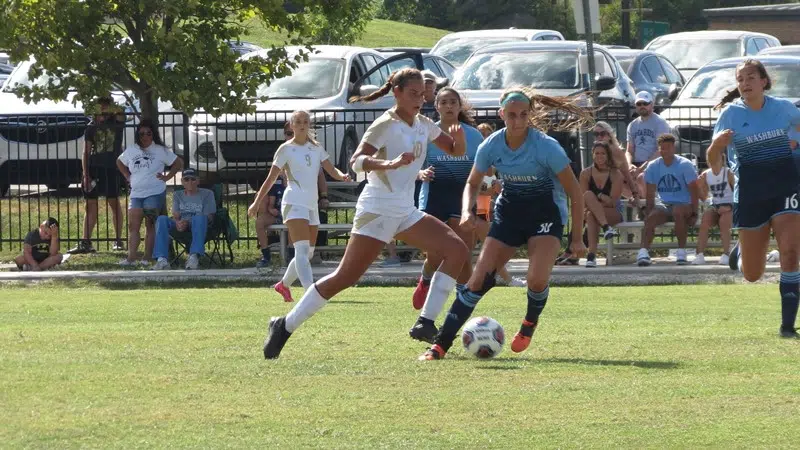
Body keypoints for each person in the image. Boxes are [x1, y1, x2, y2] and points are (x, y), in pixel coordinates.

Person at [263, 68, 468, 359]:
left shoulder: (424, 124)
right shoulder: (385, 123)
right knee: (345, 276)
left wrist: (457, 133)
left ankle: (425, 322)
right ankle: (284, 325)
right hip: (377, 208)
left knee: (456, 250)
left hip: (404, 210)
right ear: (396, 92)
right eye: (413, 94)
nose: (419, 99)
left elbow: (455, 150)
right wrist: (390, 164)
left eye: (423, 94)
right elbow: (356, 162)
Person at [420, 87, 590, 360]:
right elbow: (474, 182)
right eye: (511, 115)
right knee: (477, 281)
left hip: (545, 216)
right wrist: (467, 211)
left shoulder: (547, 147)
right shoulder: (492, 145)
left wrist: (578, 238)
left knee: (536, 280)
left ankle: (528, 324)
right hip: (509, 214)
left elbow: (575, 193)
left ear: (529, 115)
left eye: (523, 115)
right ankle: (439, 346)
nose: (517, 121)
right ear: (502, 115)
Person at [707, 59, 800, 338]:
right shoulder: (730, 115)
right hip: (750, 192)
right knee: (752, 274)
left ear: (764, 81)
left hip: (786, 187)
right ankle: (741, 248)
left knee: (791, 254)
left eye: (750, 77)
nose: (745, 83)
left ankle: (787, 326)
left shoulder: (785, 109)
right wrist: (716, 145)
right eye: (740, 79)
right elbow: (713, 163)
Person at [248, 110, 351, 302]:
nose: (302, 124)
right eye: (298, 122)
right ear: (291, 125)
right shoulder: (286, 149)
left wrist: (342, 175)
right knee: (302, 251)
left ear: (309, 124)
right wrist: (256, 202)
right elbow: (271, 178)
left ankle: (283, 285)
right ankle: (311, 294)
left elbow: (331, 169)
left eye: (306, 121)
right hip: (294, 202)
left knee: (308, 253)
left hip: (311, 205)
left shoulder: (317, 148)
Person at [410, 87, 483, 342]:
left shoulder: (473, 135)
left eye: (454, 102)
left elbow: (483, 167)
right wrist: (421, 174)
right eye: (444, 102)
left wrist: (489, 183)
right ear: (437, 106)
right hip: (434, 197)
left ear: (459, 106)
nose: (449, 106)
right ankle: (427, 277)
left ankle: (461, 304)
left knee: (463, 252)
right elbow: (413, 164)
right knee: (437, 253)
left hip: (463, 197)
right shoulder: (429, 132)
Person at [117, 119, 183, 266]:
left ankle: (147, 258)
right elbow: (119, 162)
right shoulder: (132, 149)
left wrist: (167, 177)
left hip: (154, 192)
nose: (145, 136)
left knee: (150, 224)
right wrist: (127, 176)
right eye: (141, 134)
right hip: (136, 193)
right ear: (137, 135)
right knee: (133, 226)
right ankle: (131, 258)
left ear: (153, 134)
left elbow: (178, 163)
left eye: (148, 133)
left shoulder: (160, 150)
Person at [69, 97, 125, 254]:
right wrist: (86, 174)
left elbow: (121, 111)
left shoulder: (117, 122)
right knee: (90, 204)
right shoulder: (91, 127)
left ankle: (118, 240)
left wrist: (108, 105)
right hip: (94, 168)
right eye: (99, 108)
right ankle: (86, 241)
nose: (102, 111)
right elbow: (86, 152)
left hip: (112, 168)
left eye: (104, 107)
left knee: (113, 202)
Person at [637, 134, 699, 266]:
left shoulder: (685, 165)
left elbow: (694, 191)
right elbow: (650, 193)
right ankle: (643, 252)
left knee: (678, 212)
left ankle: (681, 252)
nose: (665, 150)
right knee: (652, 217)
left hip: (683, 204)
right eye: (662, 148)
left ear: (673, 148)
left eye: (668, 147)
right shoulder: (653, 166)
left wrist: (694, 213)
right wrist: (648, 212)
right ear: (659, 149)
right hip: (664, 205)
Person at [151, 168, 216, 270]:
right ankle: (161, 260)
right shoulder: (178, 194)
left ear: (198, 181)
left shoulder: (207, 194)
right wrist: (178, 223)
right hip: (181, 223)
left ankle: (193, 257)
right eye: (186, 179)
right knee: (161, 219)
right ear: (182, 182)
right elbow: (176, 215)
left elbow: (209, 216)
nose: (190, 182)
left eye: (193, 179)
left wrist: (187, 222)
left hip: (198, 224)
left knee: (199, 218)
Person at [580, 141, 623, 267]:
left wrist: (599, 196)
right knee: (589, 204)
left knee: (591, 212)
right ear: (592, 155)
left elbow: (613, 203)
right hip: (594, 213)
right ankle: (592, 255)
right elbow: (584, 199)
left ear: (608, 155)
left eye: (603, 153)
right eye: (597, 153)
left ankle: (591, 255)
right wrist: (600, 201)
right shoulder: (586, 173)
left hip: (613, 212)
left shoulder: (615, 174)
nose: (599, 156)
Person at [627, 92, 671, 196]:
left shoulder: (660, 123)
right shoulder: (632, 125)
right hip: (636, 164)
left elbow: (661, 151)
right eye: (639, 104)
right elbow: (629, 150)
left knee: (641, 178)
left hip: (656, 164)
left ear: (652, 105)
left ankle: (647, 207)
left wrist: (641, 168)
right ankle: (641, 205)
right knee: (618, 178)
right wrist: (629, 165)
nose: (642, 106)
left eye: (645, 103)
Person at [692, 155, 734, 266]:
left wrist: (730, 207)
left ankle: (726, 254)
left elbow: (739, 194)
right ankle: (699, 255)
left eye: (717, 159)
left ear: (722, 160)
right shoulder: (706, 175)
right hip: (716, 205)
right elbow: (704, 197)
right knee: (705, 221)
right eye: (711, 159)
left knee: (724, 222)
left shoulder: (729, 173)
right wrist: (699, 187)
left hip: (731, 205)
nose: (714, 162)